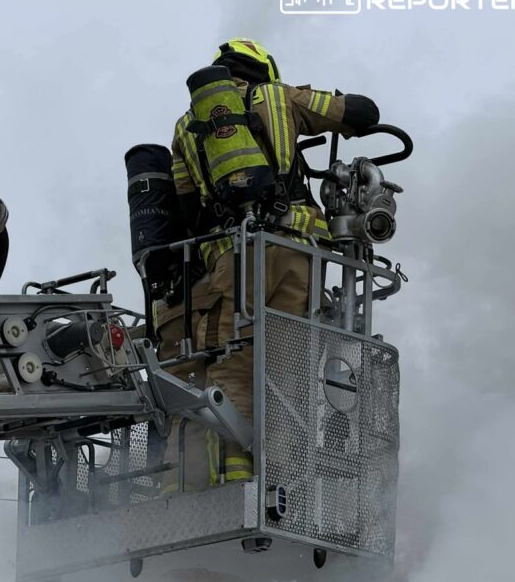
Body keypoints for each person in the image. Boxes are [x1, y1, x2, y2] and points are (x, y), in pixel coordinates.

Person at [163, 38, 380, 489]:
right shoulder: (282, 97)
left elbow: (186, 213)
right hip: (298, 249)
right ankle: (283, 486)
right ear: (264, 67)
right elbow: (360, 113)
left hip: (232, 256)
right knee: (290, 373)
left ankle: (234, 477)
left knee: (235, 366)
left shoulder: (185, 128)